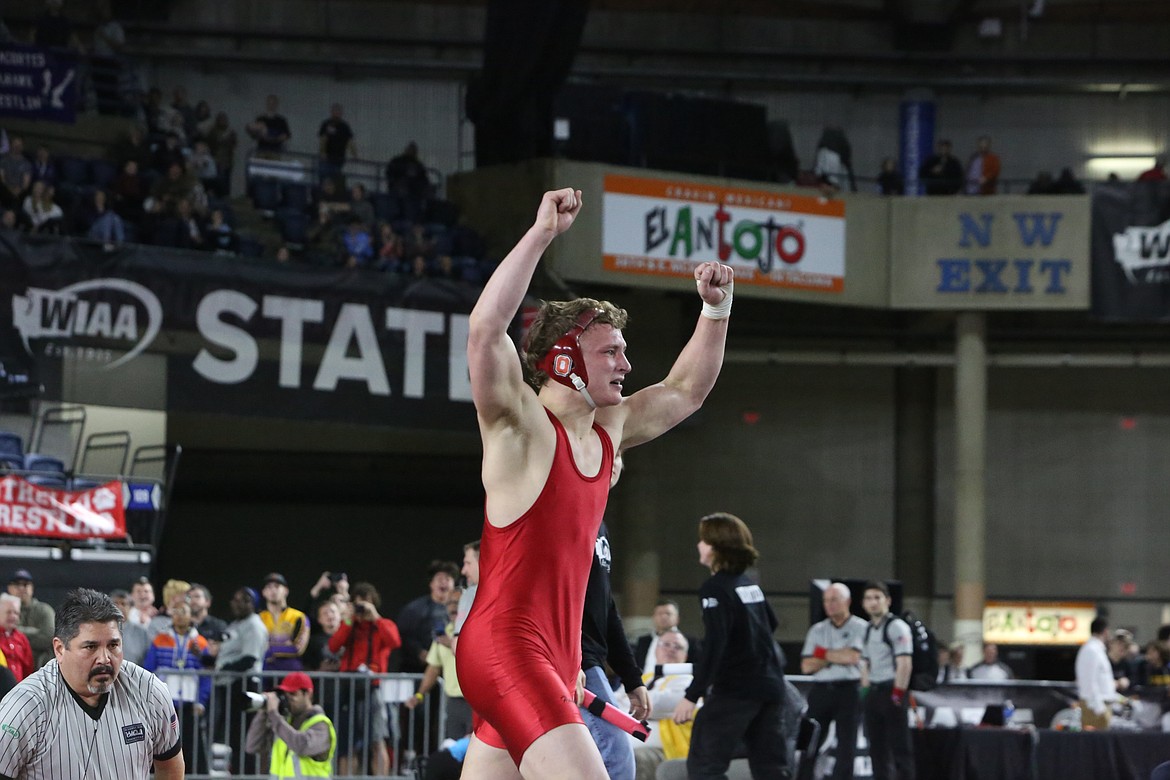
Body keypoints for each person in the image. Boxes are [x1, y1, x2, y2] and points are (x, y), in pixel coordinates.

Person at [457, 187, 732, 778]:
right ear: (562, 360)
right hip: (508, 647)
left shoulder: (611, 429)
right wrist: (542, 235)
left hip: (555, 658)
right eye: (610, 352)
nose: (626, 366)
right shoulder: (520, 426)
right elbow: (485, 331)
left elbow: (688, 391)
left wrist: (715, 311)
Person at [0, 588, 184, 778]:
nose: (104, 658)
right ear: (60, 649)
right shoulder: (24, 706)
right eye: (91, 647)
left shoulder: (149, 691)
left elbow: (171, 765)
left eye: (113, 645)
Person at [671, 512, 787, 780]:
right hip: (771, 688)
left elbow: (715, 645)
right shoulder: (750, 586)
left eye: (703, 540)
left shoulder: (715, 588)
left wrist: (692, 694)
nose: (699, 545)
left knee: (704, 767)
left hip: (736, 690)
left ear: (716, 547)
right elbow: (771, 623)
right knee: (771, 770)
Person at [580, 519, 650, 780]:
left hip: (583, 661)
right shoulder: (568, 513)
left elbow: (607, 607)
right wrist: (567, 657)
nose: (613, 475)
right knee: (615, 758)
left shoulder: (600, 526)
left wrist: (633, 679)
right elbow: (546, 591)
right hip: (572, 662)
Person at [328, 581, 400, 776]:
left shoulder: (383, 625)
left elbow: (394, 641)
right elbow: (334, 646)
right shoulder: (350, 625)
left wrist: (374, 617)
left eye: (365, 604)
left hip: (373, 688)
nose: (362, 608)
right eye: (358, 603)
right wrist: (349, 619)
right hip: (347, 687)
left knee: (377, 740)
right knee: (347, 744)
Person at [800, 582, 868, 780]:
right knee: (810, 739)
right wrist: (838, 655)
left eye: (834, 600)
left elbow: (853, 658)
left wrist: (821, 654)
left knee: (847, 743)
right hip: (822, 690)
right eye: (826, 601)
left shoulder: (861, 628)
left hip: (849, 691)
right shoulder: (817, 630)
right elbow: (806, 666)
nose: (829, 605)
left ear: (847, 601)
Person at [143, 601, 212, 774]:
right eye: (177, 610)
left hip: (190, 705)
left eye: (184, 611)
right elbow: (149, 670)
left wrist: (201, 702)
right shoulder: (160, 639)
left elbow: (205, 676)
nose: (180, 614)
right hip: (164, 703)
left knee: (193, 748)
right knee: (160, 745)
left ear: (191, 616)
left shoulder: (201, 643)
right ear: (171, 615)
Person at [861, 581, 914, 780]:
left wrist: (898, 694)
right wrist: (864, 693)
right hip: (874, 692)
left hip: (892, 691)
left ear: (888, 601)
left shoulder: (897, 627)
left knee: (900, 748)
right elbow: (865, 663)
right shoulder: (867, 629)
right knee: (876, 749)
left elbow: (905, 663)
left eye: (877, 598)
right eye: (868, 598)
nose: (873, 602)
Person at [406, 587, 472, 740]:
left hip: (475, 701)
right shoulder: (445, 632)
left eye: (457, 602)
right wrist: (419, 695)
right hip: (453, 702)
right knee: (453, 749)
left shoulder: (475, 629)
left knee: (475, 752)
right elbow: (433, 668)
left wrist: (453, 645)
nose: (452, 607)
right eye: (449, 603)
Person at [246, 670, 337, 779]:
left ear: (308, 693)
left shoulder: (320, 725)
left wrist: (273, 714)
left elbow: (302, 746)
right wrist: (264, 711)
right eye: (285, 695)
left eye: (293, 694)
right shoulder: (284, 724)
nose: (288, 699)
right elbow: (252, 746)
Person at [634, 599, 701, 675]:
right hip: (645, 683)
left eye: (668, 613)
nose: (664, 617)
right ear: (653, 617)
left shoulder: (690, 641)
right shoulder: (643, 641)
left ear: (677, 619)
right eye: (659, 613)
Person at [260, 572, 310, 672]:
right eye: (269, 587)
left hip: (290, 673)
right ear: (263, 592)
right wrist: (284, 645)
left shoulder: (299, 616)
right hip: (264, 673)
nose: (273, 590)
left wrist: (270, 649)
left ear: (286, 591)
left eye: (277, 586)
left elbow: (298, 649)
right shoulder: (258, 618)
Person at [1076, 616, 1120, 730]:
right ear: (1105, 631)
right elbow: (1089, 681)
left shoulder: (1097, 650)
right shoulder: (1091, 650)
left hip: (1100, 705)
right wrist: (1099, 708)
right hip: (1095, 707)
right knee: (1094, 745)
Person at [7, 569, 53, 669]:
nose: (21, 588)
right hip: (11, 670)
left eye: (25, 584)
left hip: (39, 669)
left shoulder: (44, 610)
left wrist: (15, 634)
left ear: (31, 588)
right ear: (9, 588)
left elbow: (47, 638)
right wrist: (34, 632)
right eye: (17, 585)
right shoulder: (3, 611)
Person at [318, 103, 357, 183]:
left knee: (335, 180)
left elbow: (350, 141)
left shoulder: (344, 126)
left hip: (339, 159)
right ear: (331, 112)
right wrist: (322, 153)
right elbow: (323, 139)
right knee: (324, 178)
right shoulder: (326, 124)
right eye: (335, 112)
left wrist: (355, 154)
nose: (336, 114)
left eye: (338, 112)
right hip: (327, 158)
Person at [110, 588, 151, 664]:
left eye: (123, 604)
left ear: (130, 607)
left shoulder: (141, 632)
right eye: (116, 604)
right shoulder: (102, 630)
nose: (120, 607)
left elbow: (148, 659)